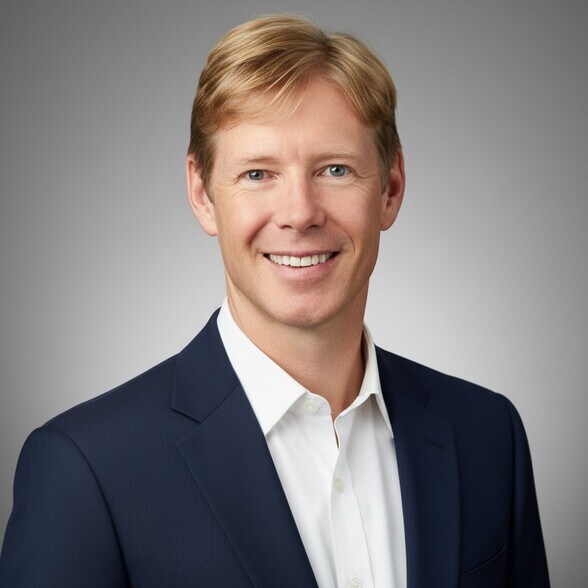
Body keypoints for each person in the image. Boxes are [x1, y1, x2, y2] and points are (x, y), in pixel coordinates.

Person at [0, 14, 549, 588]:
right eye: (258, 174)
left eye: (335, 169)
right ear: (202, 195)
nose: (299, 213)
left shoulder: (488, 436)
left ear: (390, 189)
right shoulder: (84, 469)